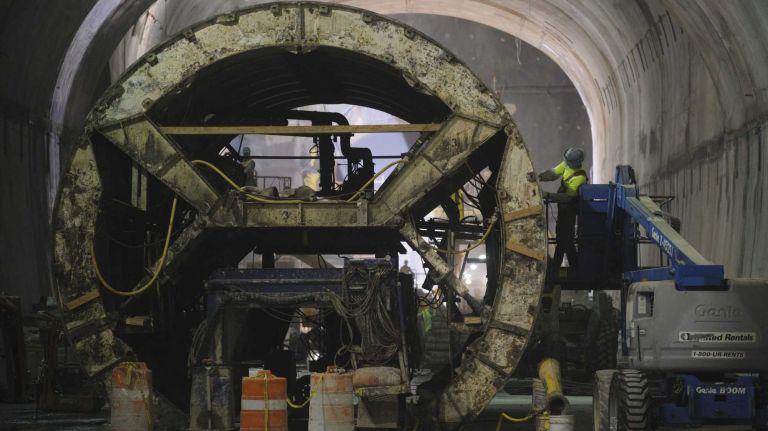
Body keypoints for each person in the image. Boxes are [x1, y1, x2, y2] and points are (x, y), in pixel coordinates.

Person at [527, 147, 588, 267]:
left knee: (566, 238)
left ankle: (564, 268)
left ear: (575, 163)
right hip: (564, 207)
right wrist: (539, 177)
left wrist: (548, 195)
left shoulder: (580, 177)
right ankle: (565, 268)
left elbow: (568, 197)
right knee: (562, 236)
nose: (565, 162)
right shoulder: (567, 164)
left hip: (569, 209)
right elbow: (554, 173)